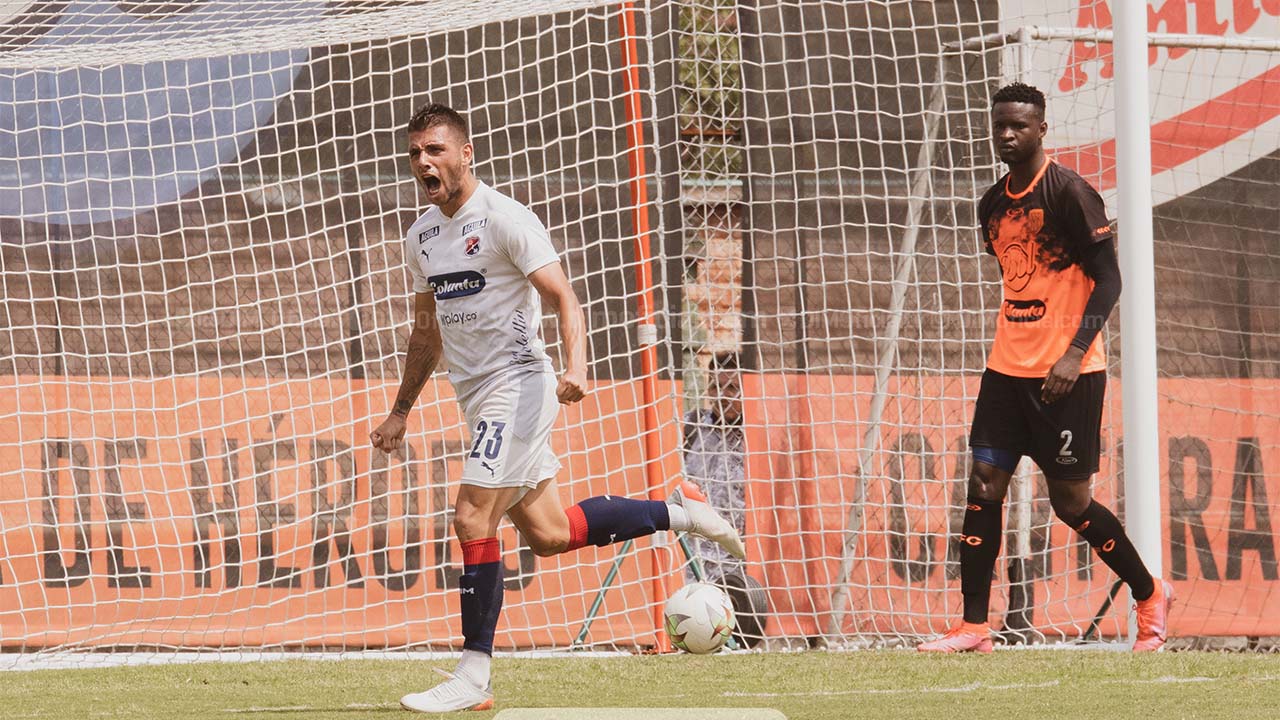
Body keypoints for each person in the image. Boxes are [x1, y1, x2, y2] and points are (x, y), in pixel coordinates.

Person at [371, 103, 745, 713]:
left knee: (472, 517)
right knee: (549, 534)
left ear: (465, 153)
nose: (423, 162)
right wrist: (400, 410)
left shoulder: (505, 219)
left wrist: (576, 366)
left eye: (435, 150)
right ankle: (681, 513)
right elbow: (426, 333)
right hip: (476, 397)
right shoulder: (421, 237)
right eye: (415, 153)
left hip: (519, 386)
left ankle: (473, 675)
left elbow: (565, 298)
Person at [918, 83, 1172, 654]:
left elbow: (1110, 280)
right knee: (983, 484)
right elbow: (1020, 278)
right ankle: (973, 626)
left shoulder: (1070, 193)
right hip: (1005, 371)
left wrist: (1074, 353)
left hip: (1067, 376)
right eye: (1000, 125)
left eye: (1020, 126)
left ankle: (1150, 592)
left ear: (1041, 129)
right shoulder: (991, 203)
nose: (1008, 135)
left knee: (1070, 504)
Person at [682, 352, 747, 586]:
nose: (722, 395)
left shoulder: (759, 438)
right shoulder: (691, 426)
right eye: (715, 386)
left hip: (738, 565)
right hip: (692, 561)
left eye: (732, 388)